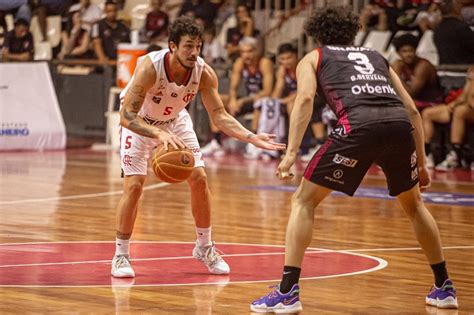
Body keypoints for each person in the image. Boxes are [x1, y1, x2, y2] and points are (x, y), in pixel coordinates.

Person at [251, 7, 458, 313]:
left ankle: (287, 291)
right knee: (415, 206)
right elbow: (413, 110)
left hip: (358, 126)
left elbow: (305, 99)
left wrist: (291, 153)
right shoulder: (376, 56)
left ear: (317, 34)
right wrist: (423, 165)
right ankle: (444, 287)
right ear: (352, 32)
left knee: (303, 201)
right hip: (399, 126)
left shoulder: (314, 57)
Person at [112, 16, 285, 278]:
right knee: (134, 185)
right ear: (172, 46)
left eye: (198, 46)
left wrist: (251, 137)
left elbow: (220, 116)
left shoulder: (203, 73)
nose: (194, 52)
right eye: (188, 46)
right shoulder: (150, 67)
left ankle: (204, 247)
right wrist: (158, 134)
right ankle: (121, 254)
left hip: (174, 121)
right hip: (140, 123)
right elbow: (127, 116)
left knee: (200, 177)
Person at [391, 33, 443, 112]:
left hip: (431, 103)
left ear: (415, 51)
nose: (408, 54)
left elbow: (411, 94)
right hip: (414, 101)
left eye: (410, 51)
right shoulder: (400, 65)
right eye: (404, 51)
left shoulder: (423, 66)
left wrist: (395, 75)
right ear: (399, 53)